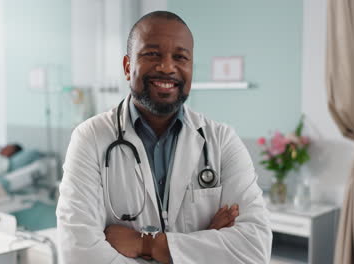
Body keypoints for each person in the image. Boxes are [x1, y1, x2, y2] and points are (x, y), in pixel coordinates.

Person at [57, 11, 272, 263]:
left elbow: (254, 249)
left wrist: (146, 245)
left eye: (180, 57)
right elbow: (79, 254)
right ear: (128, 67)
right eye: (152, 54)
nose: (167, 67)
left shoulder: (221, 141)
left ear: (191, 67)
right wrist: (205, 241)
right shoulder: (91, 138)